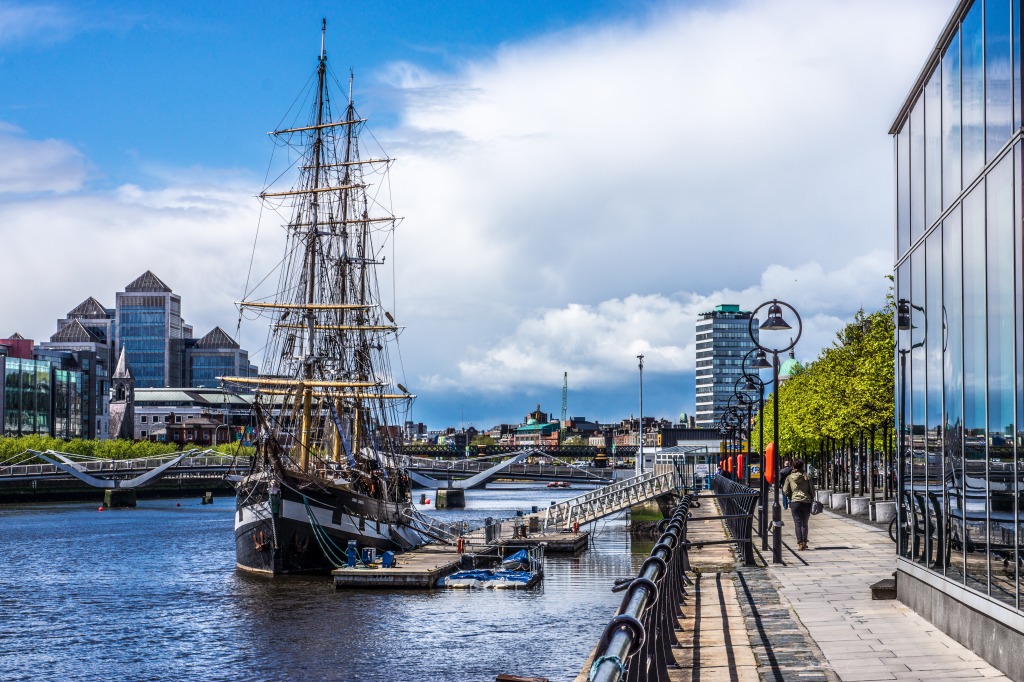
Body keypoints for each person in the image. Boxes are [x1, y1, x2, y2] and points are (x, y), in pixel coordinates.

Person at [783, 459, 814, 551]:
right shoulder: (806, 476)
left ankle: (800, 542)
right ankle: (804, 541)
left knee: (797, 523)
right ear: (802, 466)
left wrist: (791, 496)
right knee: (805, 523)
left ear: (793, 466)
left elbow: (785, 490)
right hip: (806, 501)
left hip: (795, 502)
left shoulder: (789, 477)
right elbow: (812, 489)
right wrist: (811, 497)